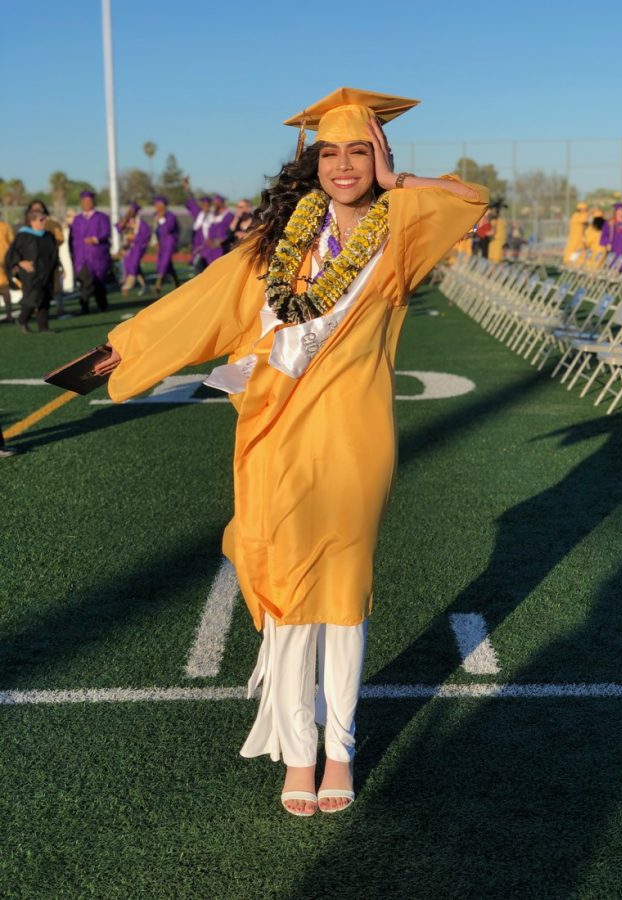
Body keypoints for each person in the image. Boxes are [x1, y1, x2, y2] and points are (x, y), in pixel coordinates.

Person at [94, 87, 488, 818]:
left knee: (341, 595)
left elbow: (470, 198)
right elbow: (205, 302)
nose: (343, 166)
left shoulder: (399, 234)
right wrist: (124, 349)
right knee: (285, 589)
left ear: (380, 159)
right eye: (330, 152)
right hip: (276, 431)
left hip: (353, 436)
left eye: (358, 151)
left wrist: (399, 181)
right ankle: (297, 749)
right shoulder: (279, 246)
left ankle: (338, 745)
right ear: (312, 164)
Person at [5, 206, 59, 333]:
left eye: (45, 219)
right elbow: (12, 253)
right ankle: (22, 319)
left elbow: (54, 253)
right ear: (32, 221)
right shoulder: (23, 236)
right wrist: (20, 262)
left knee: (45, 298)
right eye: (41, 219)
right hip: (31, 273)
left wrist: (58, 266)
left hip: (47, 272)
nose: (44, 221)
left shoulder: (48, 236)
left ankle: (43, 327)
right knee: (33, 297)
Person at [69, 191, 111, 314]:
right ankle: (84, 305)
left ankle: (102, 304)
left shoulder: (101, 217)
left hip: (97, 255)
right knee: (85, 281)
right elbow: (73, 238)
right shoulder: (77, 219)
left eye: (89, 201)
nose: (86, 204)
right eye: (84, 202)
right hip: (82, 256)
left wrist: (95, 239)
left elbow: (106, 232)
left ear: (93, 202)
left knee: (98, 282)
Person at [117, 203, 151, 296]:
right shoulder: (126, 221)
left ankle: (127, 285)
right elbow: (119, 229)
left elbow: (146, 235)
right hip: (127, 247)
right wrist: (125, 219)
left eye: (133, 211)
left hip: (137, 247)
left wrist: (135, 239)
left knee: (133, 264)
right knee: (133, 265)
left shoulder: (141, 223)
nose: (131, 213)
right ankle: (146, 286)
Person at [152, 196, 180, 295]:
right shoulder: (156, 216)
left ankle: (158, 283)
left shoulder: (170, 216)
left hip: (169, 241)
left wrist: (161, 219)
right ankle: (177, 284)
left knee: (164, 261)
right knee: (166, 264)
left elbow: (168, 228)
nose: (157, 208)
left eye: (158, 205)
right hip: (162, 242)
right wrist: (156, 241)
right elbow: (156, 230)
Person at [183, 178, 211, 273]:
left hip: (211, 249)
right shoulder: (198, 214)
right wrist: (187, 188)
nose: (205, 206)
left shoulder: (214, 216)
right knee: (198, 271)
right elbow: (191, 200)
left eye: (207, 204)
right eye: (203, 204)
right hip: (199, 248)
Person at [600, 202, 622, 269]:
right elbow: (604, 234)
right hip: (613, 247)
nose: (621, 212)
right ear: (616, 212)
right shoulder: (610, 222)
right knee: (612, 264)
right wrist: (607, 243)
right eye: (619, 211)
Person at [203, 195, 234, 265]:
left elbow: (231, 231)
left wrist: (223, 240)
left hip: (222, 247)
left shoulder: (229, 216)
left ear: (222, 203)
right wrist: (207, 240)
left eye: (217, 203)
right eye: (214, 203)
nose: (215, 205)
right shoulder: (212, 215)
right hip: (211, 247)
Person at [0, 213, 14, 322]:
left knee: (5, 289)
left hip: (4, 262)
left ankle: (9, 314)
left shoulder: (6, 226)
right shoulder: (6, 226)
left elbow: (12, 243)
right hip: (4, 261)